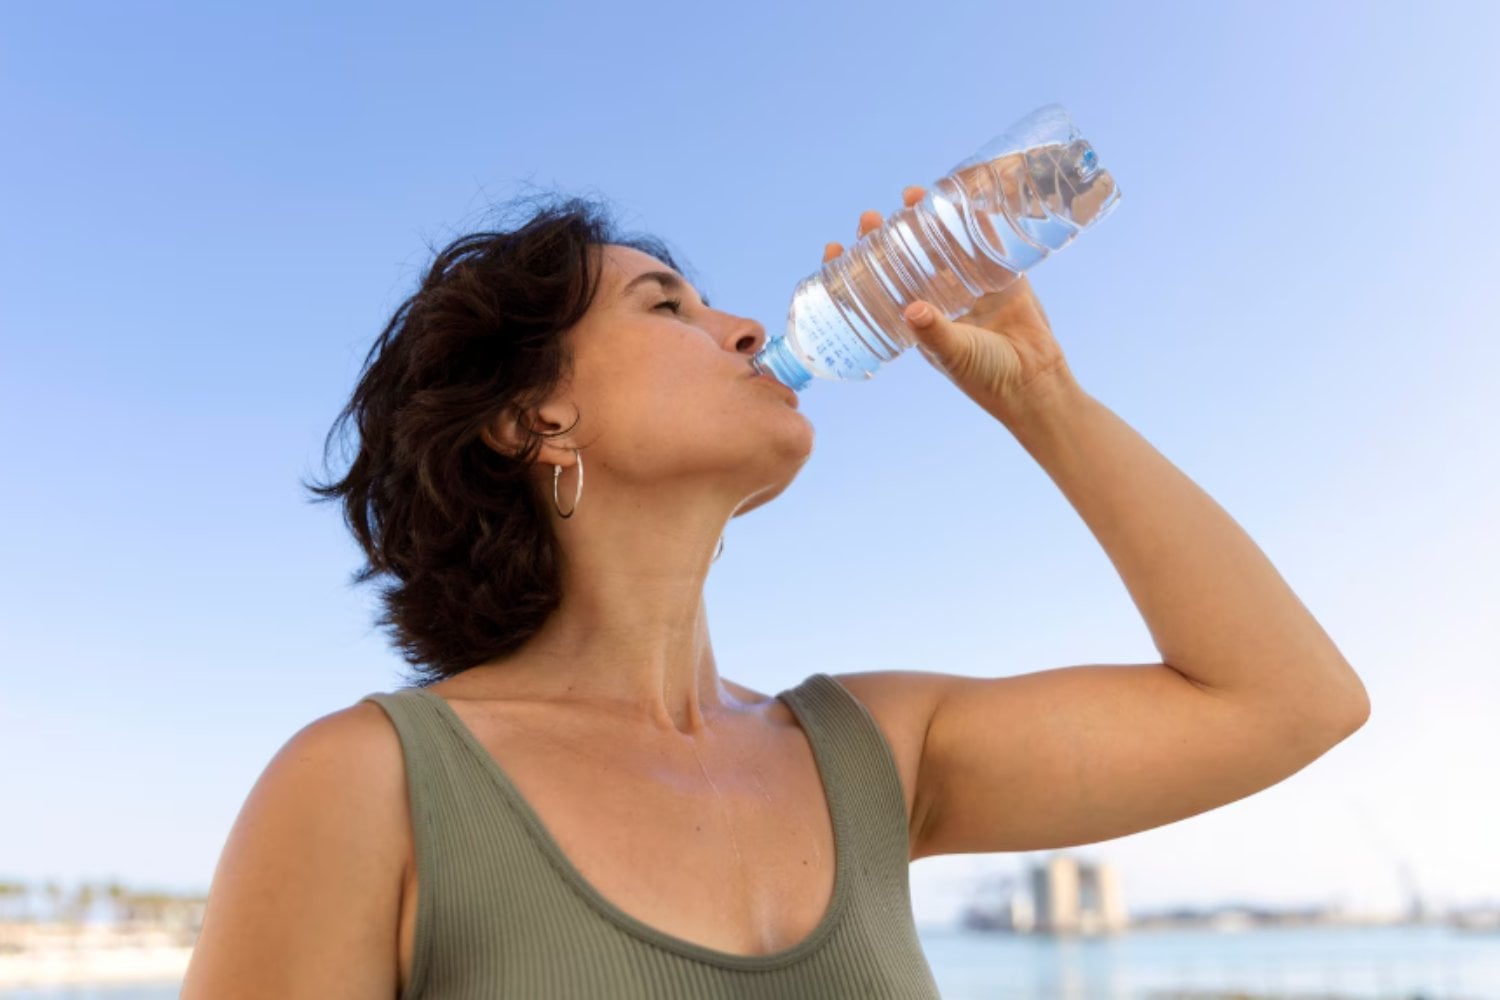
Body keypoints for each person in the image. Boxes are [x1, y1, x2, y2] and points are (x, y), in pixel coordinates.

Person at [180, 186, 1370, 998]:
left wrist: (1043, 395)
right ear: (534, 414)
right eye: (669, 306)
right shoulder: (368, 785)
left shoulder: (873, 752)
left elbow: (1289, 699)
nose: (747, 328)